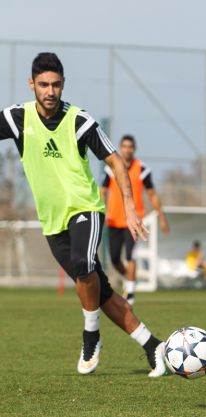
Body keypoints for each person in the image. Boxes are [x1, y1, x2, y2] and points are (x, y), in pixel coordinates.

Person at [0, 52, 166, 377]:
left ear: (63, 85)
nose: (50, 91)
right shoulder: (17, 118)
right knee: (98, 290)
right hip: (52, 221)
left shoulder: (80, 121)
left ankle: (91, 336)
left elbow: (116, 162)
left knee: (83, 264)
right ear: (31, 84)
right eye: (44, 84)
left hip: (86, 209)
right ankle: (153, 346)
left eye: (56, 84)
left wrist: (131, 208)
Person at [101, 134, 169, 305]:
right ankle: (129, 279)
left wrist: (161, 217)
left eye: (130, 146)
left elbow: (152, 194)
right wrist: (103, 210)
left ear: (134, 149)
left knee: (131, 256)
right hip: (114, 221)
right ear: (120, 148)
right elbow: (102, 190)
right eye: (124, 146)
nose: (127, 149)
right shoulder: (112, 167)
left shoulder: (142, 169)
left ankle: (130, 292)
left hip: (133, 221)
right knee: (115, 259)